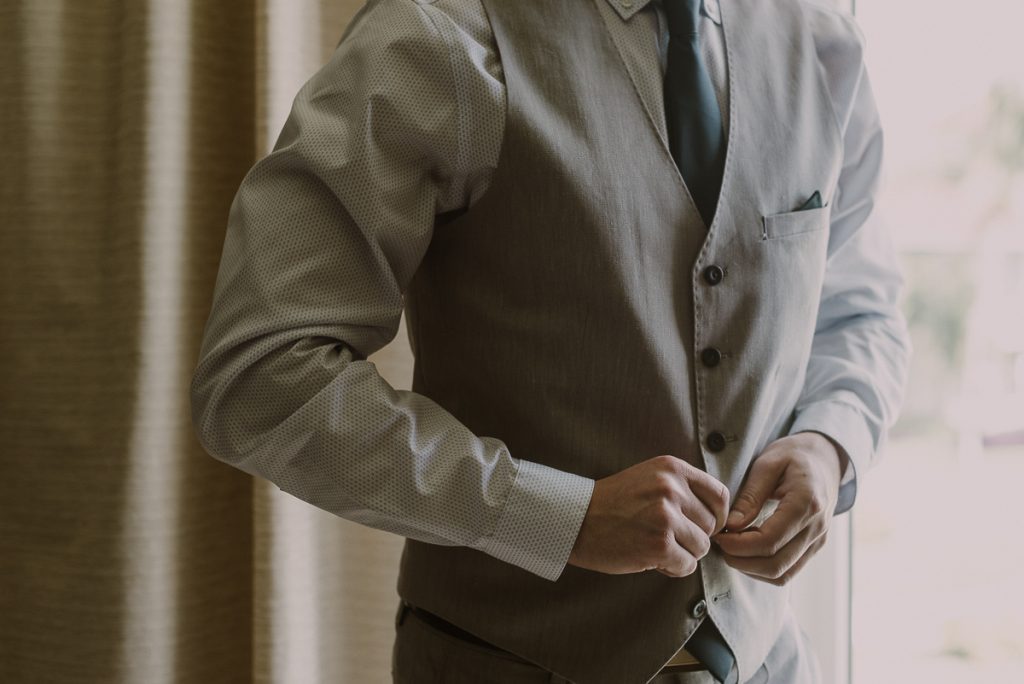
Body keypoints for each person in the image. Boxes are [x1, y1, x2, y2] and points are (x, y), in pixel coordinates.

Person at [189, 0, 911, 682]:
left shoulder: (820, 40)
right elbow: (260, 373)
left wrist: (829, 442)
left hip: (769, 661)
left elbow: (860, 310)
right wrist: (553, 515)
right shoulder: (439, 36)